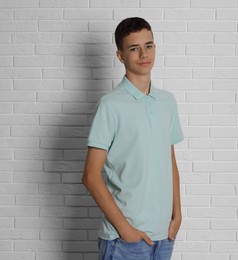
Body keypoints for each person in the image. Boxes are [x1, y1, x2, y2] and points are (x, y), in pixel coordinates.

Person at [82, 17, 184, 260]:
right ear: (120, 56)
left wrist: (177, 215)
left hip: (164, 237)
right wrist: (125, 230)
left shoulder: (167, 102)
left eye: (148, 46)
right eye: (134, 48)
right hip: (124, 240)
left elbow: (169, 159)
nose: (143, 54)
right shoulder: (110, 105)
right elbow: (90, 176)